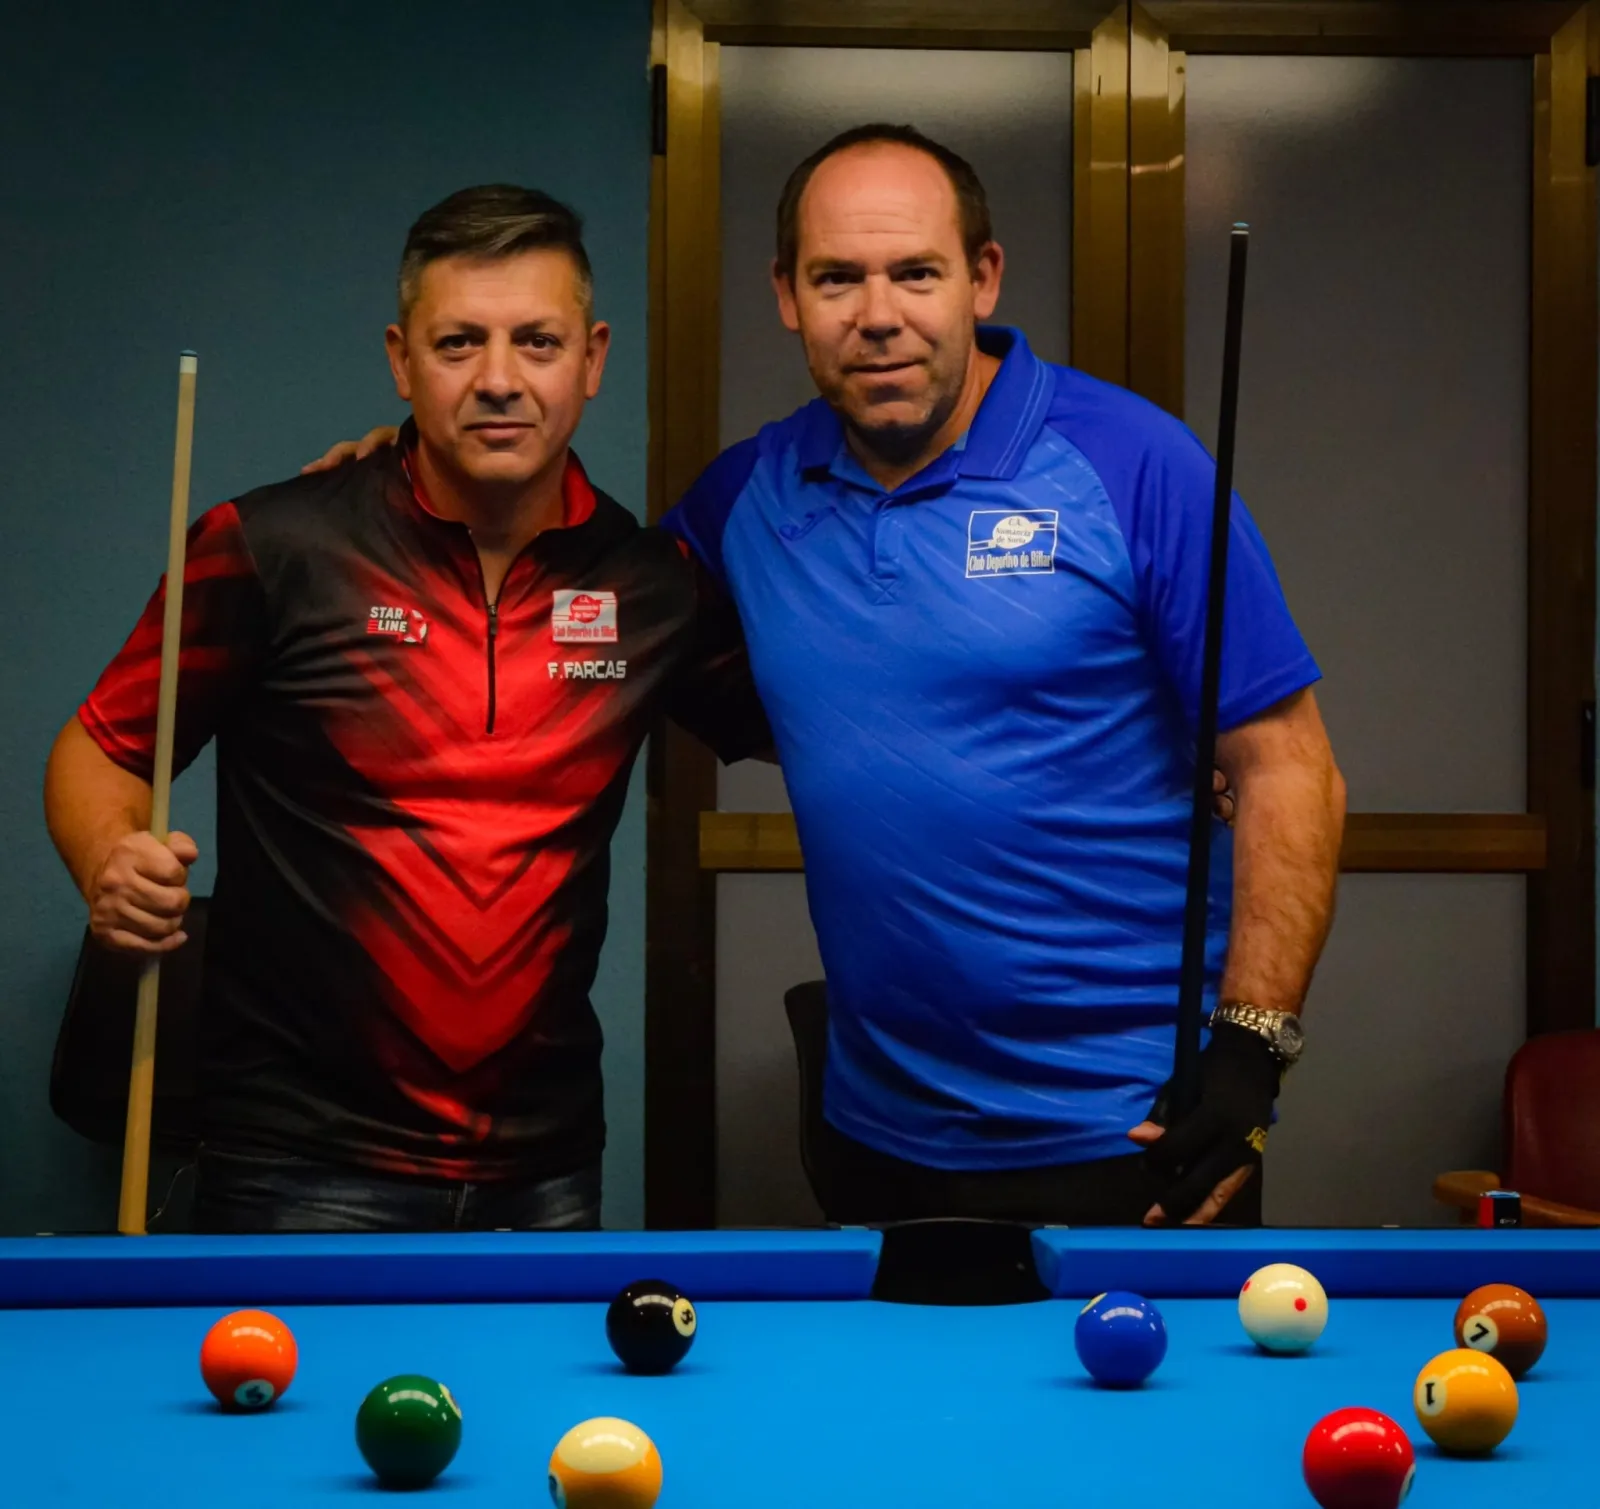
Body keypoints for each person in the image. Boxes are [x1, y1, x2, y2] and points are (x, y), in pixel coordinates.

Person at [312, 125, 1346, 1230]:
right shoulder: (747, 497)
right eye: (837, 278)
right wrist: (408, 478)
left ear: (982, 278)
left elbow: (1290, 769)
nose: (879, 313)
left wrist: (1250, 1052)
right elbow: (571, 593)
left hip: (1134, 1130)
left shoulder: (1136, 464)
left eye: (916, 273)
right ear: (787, 295)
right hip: (878, 1136)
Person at [45, 185, 765, 1234]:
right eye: (458, 342)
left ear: (592, 358)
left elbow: (831, 726)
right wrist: (109, 858)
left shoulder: (651, 586)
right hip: (297, 1162)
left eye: (537, 341)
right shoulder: (276, 546)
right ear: (401, 360)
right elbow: (100, 747)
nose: (499, 379)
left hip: (545, 1166)